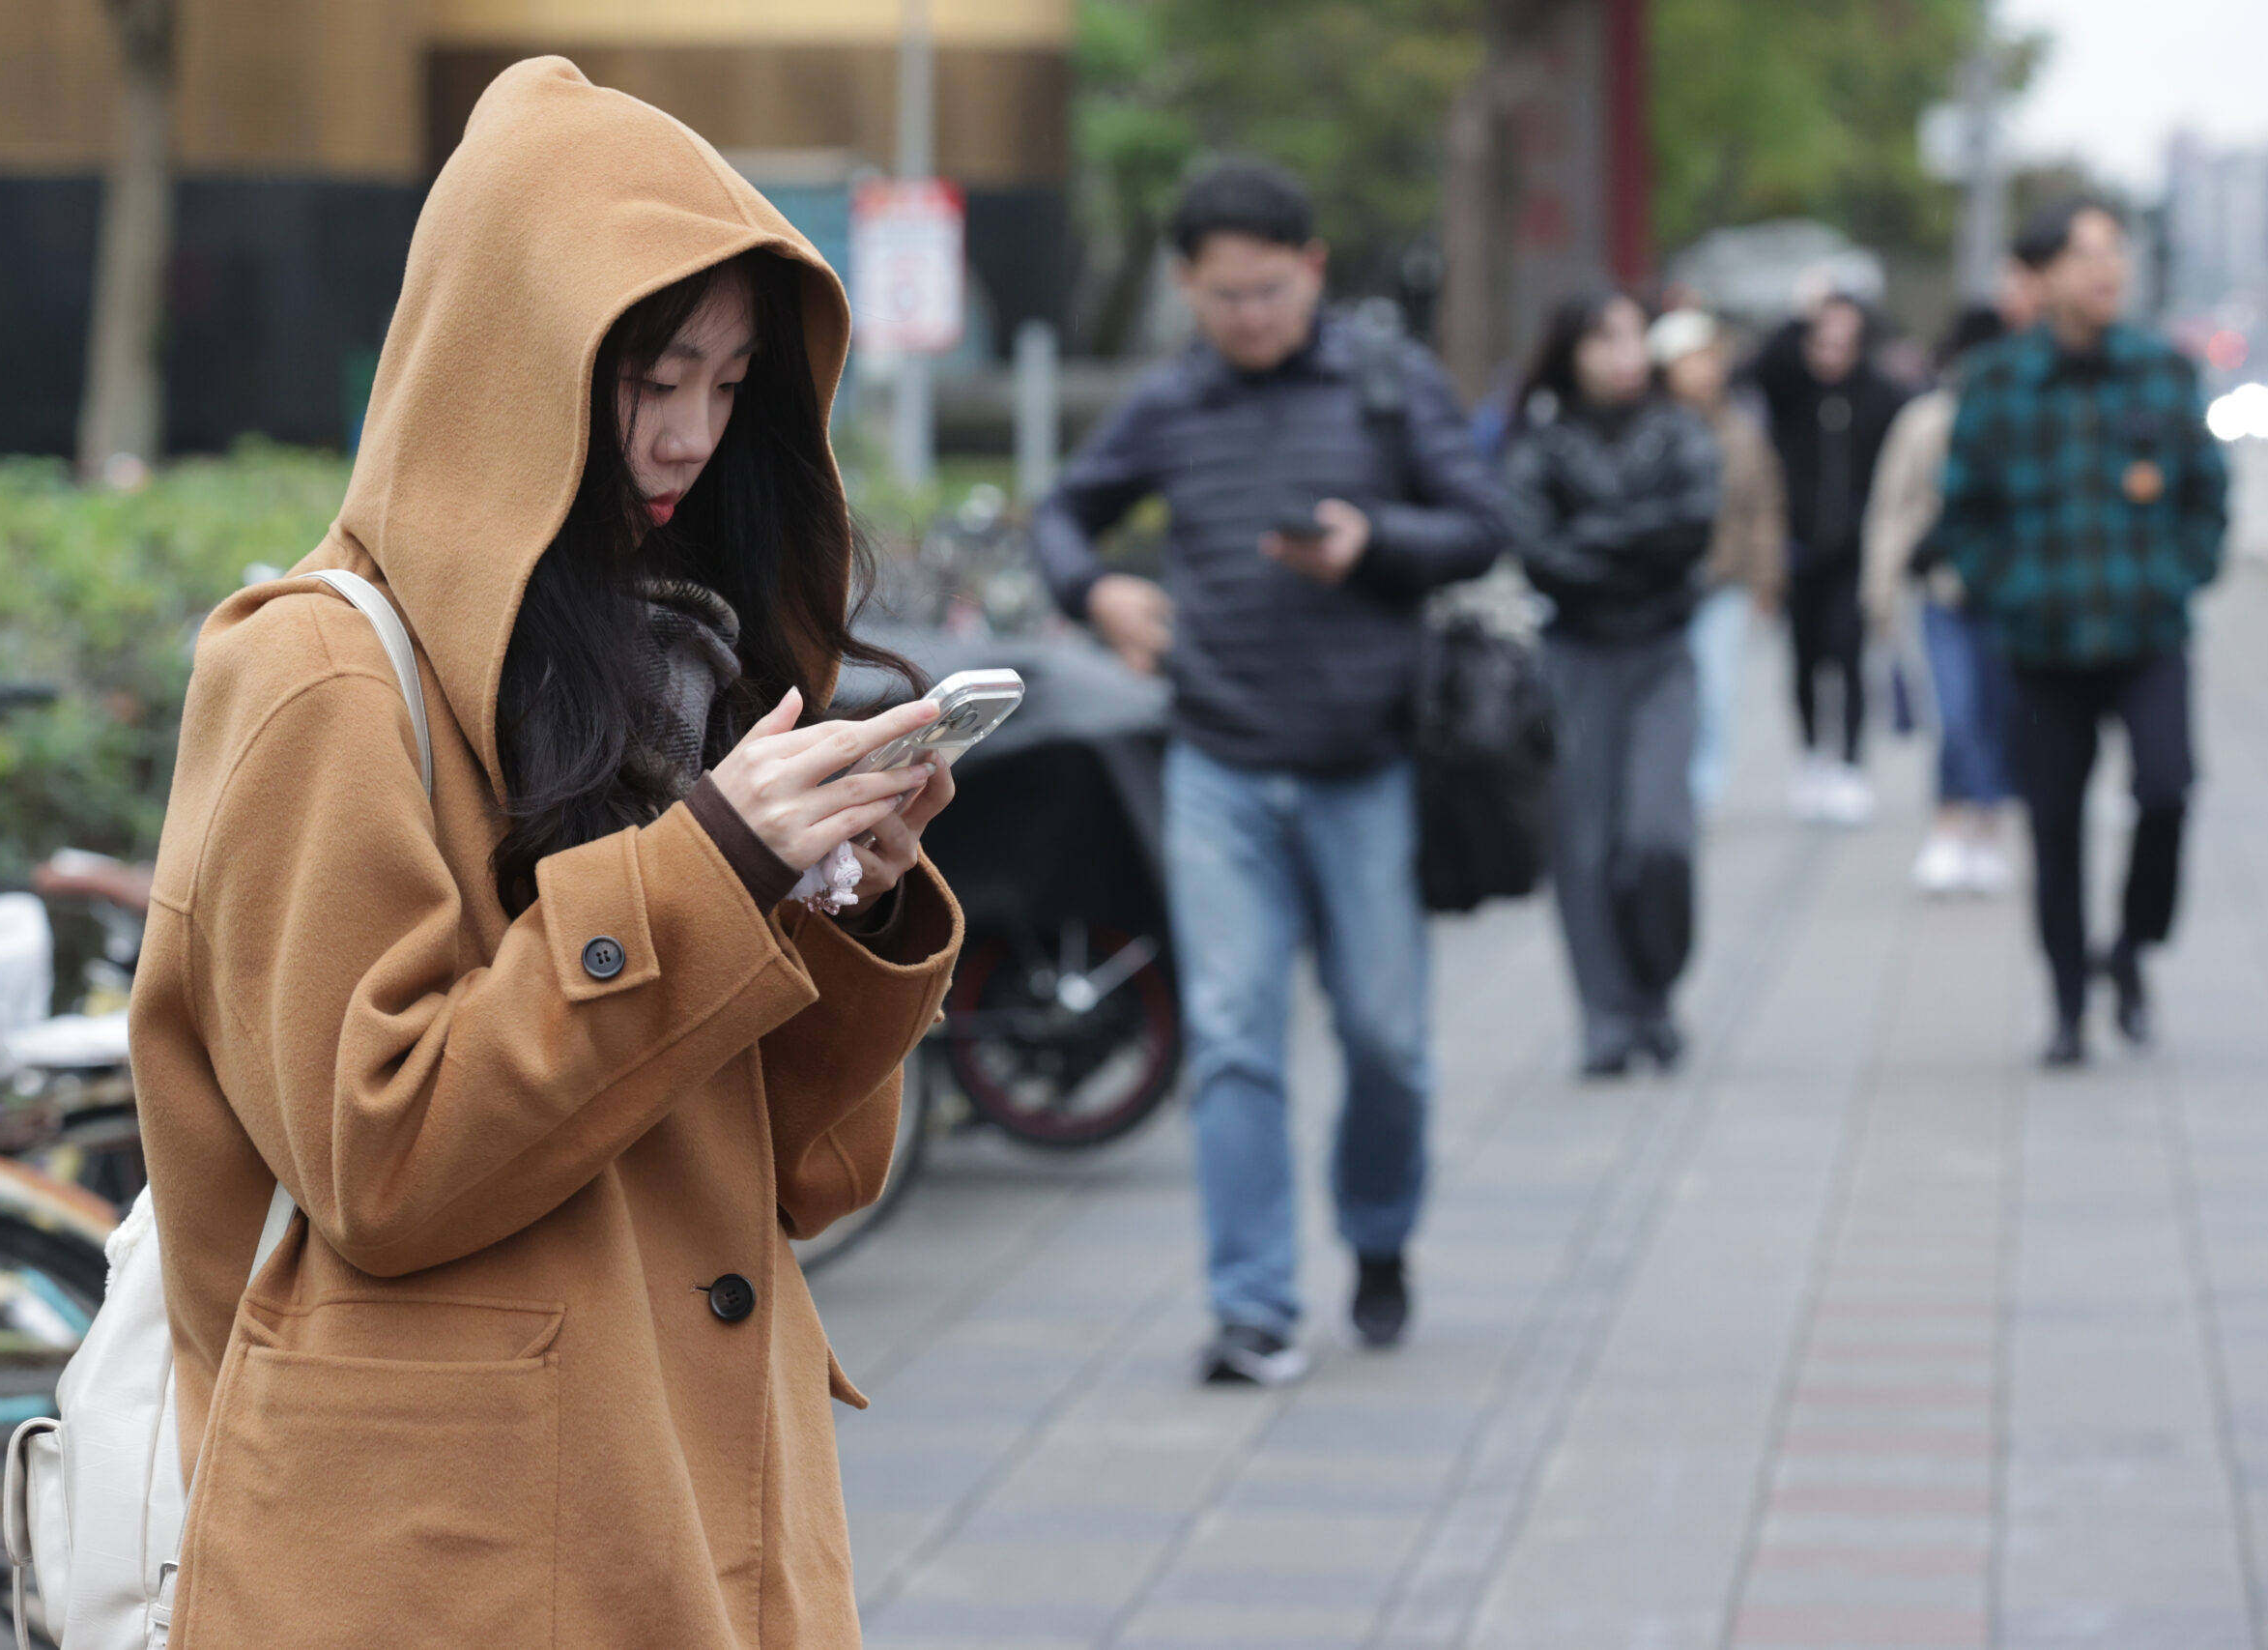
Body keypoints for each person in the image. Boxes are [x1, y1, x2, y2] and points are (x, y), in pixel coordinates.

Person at [130, 61, 962, 1646]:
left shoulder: (690, 668)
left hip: (691, 1498)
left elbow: (813, 1175)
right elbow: (380, 1159)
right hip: (454, 1558)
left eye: (729, 389)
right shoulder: (320, 675)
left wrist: (846, 892)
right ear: (505, 364)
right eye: (647, 377)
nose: (686, 440)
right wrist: (710, 871)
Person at [1031, 160, 1508, 1385]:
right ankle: (1253, 1306)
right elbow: (1062, 516)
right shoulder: (1167, 403)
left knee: (1386, 1040)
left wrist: (1373, 545)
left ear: (1312, 270)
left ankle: (1381, 1236)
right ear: (1187, 286)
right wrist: (1100, 592)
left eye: (1268, 289)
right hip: (1219, 765)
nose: (1248, 315)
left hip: (1368, 765)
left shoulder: (1391, 383)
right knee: (1236, 1037)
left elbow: (1481, 524)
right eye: (1222, 294)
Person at [1939, 198, 2227, 1067]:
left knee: (2168, 789)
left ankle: (2133, 945)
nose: (2109, 270)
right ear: (2041, 274)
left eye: (2116, 252)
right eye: (2085, 253)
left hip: (2147, 635)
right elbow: (1965, 515)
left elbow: (2207, 498)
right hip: (2043, 648)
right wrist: (2013, 591)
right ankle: (2067, 1001)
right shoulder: (1996, 382)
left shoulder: (2162, 373)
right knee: (2054, 824)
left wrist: (2180, 572)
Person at [1505, 290, 1723, 1077]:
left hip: (1663, 653)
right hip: (1576, 659)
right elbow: (1537, 552)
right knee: (1584, 847)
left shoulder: (1678, 431)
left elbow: (1691, 529)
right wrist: (1635, 541)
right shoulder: (1539, 443)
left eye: (1634, 338)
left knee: (1658, 838)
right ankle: (1606, 1012)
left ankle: (1656, 987)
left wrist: (1593, 541)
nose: (1624, 355)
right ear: (1571, 351)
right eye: (1605, 339)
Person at [1863, 304, 2017, 897]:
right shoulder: (1927, 422)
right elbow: (1891, 510)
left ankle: (1986, 827)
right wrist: (1879, 592)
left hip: (2010, 595)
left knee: (1999, 715)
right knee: (1953, 715)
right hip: (1943, 591)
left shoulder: (2017, 418)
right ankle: (1949, 825)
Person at [1753, 292, 1912, 825]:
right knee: (1803, 663)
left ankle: (1848, 763)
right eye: (1822, 340)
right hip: (1798, 554)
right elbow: (1761, 365)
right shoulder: (1793, 392)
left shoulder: (1881, 396)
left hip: (1854, 554)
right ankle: (1811, 758)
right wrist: (1802, 309)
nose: (1833, 352)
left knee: (1847, 655)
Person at [1650, 308, 1787, 814]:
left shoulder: (1741, 430)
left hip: (1723, 582)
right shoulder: (1649, 427)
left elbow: (1764, 508)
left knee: (1716, 691)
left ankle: (1698, 792)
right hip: (1660, 583)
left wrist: (1766, 580)